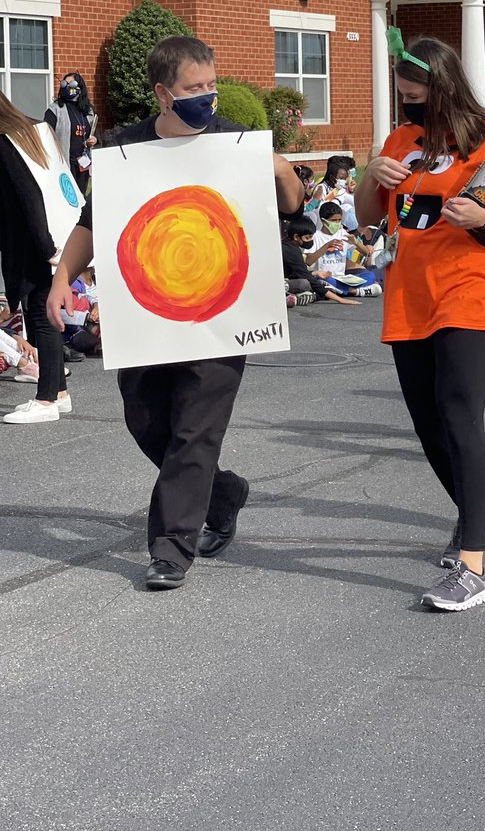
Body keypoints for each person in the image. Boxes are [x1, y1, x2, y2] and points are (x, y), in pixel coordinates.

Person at [47, 35, 304, 591]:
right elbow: (95, 223)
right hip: (147, 315)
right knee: (147, 423)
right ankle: (223, 491)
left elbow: (290, 203)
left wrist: (279, 165)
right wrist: (63, 276)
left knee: (194, 431)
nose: (208, 97)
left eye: (211, 85)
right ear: (164, 93)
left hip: (221, 315)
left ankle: (170, 548)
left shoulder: (233, 141)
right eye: (195, 88)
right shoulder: (125, 149)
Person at [355, 36, 485, 611]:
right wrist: (374, 174)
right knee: (429, 421)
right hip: (409, 295)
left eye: (416, 96)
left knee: (461, 411)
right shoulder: (401, 140)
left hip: (469, 291)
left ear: (444, 89)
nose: (409, 106)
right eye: (403, 96)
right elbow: (369, 216)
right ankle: (473, 507)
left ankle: (471, 568)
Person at [0, 81, 70, 424]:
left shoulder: (3, 143)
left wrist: (44, 247)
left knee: (41, 317)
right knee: (45, 315)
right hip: (52, 236)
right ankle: (58, 392)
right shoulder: (34, 133)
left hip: (32, 246)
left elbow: (28, 197)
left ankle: (45, 400)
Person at [307, 201, 381, 297]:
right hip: (325, 277)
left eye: (339, 220)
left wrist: (356, 242)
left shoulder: (342, 233)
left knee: (370, 276)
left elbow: (366, 253)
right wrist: (326, 246)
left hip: (342, 278)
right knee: (324, 282)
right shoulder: (316, 236)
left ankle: (343, 290)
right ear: (323, 220)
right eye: (334, 220)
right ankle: (357, 291)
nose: (337, 223)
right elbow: (308, 261)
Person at [281, 216, 360, 307]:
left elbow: (297, 272)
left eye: (311, 237)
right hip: (282, 283)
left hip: (285, 280)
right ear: (296, 237)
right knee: (304, 284)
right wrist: (340, 299)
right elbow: (307, 279)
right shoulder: (292, 251)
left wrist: (315, 273)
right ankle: (300, 296)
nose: (310, 241)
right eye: (307, 238)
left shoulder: (288, 246)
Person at [44, 72, 97, 196]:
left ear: (80, 87)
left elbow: (93, 134)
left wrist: (93, 140)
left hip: (83, 164)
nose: (66, 87)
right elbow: (46, 136)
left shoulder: (87, 111)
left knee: (81, 198)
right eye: (64, 84)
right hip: (64, 165)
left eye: (71, 83)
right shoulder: (55, 109)